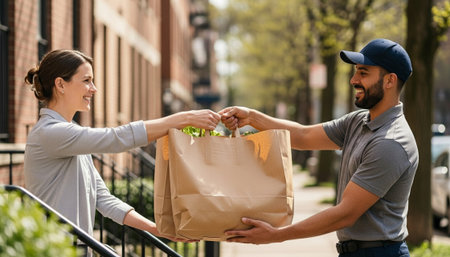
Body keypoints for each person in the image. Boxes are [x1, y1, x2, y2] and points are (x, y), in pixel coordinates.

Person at [220, 38, 418, 257]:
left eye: (363, 72)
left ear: (390, 80)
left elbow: (345, 214)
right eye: (355, 72)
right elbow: (304, 136)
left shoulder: (390, 143)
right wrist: (251, 117)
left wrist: (276, 234)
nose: (353, 80)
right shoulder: (358, 121)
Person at [23, 49, 220, 256]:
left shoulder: (71, 136)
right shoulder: (51, 133)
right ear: (61, 84)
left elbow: (103, 199)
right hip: (53, 250)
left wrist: (158, 229)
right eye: (87, 80)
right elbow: (116, 138)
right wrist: (183, 118)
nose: (94, 89)